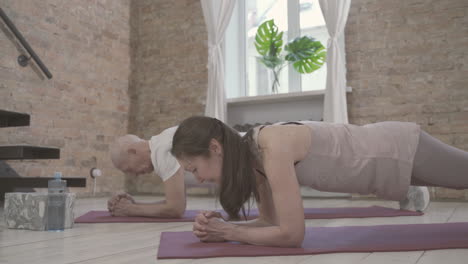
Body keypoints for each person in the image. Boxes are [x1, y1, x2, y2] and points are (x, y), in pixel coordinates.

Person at [171, 116, 468, 247]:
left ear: (214, 148)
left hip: (396, 149)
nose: (198, 178)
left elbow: (291, 235)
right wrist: (222, 230)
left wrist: (228, 232)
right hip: (384, 169)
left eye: (194, 168)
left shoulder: (270, 148)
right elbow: (269, 223)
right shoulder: (253, 160)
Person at [107, 127, 187, 218]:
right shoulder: (161, 143)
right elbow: (177, 203)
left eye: (129, 169)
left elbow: (175, 209)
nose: (134, 175)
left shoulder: (161, 152)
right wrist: (133, 205)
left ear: (133, 151)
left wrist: (130, 209)